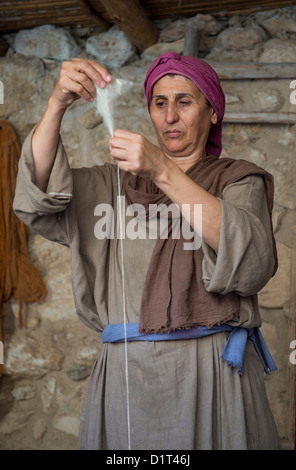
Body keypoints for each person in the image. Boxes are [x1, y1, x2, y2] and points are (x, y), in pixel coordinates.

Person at [13, 52, 282, 450]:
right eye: (160, 103)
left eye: (184, 101)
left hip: (212, 371)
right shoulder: (111, 185)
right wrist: (57, 104)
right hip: (127, 377)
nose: (170, 116)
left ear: (212, 113)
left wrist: (163, 170)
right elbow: (39, 193)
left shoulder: (237, 181)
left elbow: (251, 257)